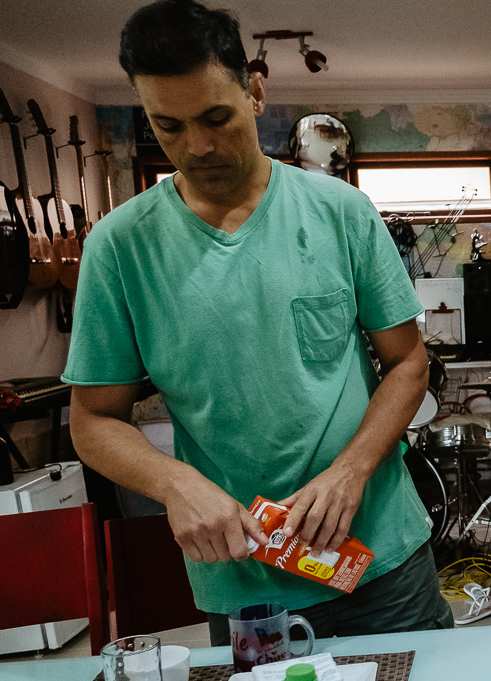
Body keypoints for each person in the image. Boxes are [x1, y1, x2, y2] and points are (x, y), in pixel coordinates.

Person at [63, 0, 453, 644]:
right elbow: (92, 418)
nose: (199, 147)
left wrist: (351, 470)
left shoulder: (342, 213)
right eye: (169, 127)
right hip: (246, 587)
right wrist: (174, 482)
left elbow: (409, 362)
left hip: (382, 564)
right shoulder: (119, 246)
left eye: (216, 117)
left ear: (255, 92)